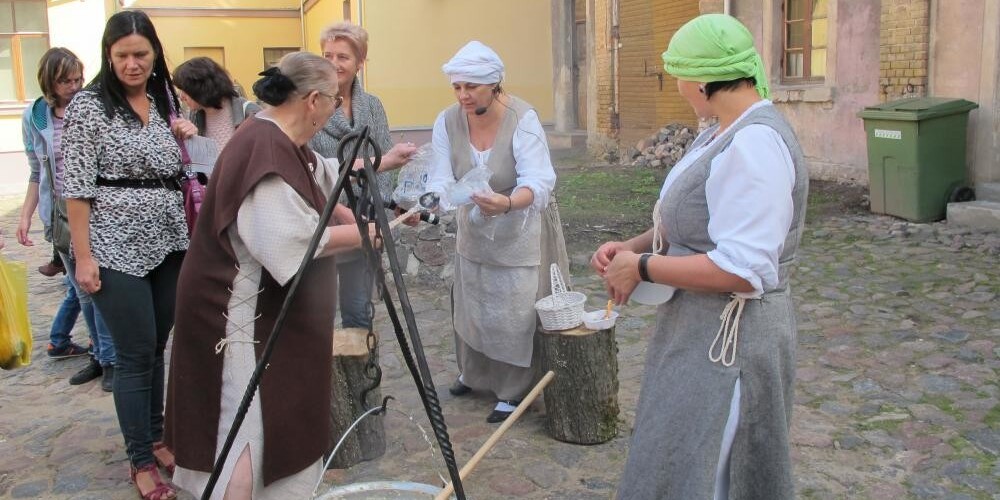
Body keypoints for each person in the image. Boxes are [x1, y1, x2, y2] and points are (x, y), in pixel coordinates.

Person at [590, 14, 807, 499]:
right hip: (695, 329)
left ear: (704, 80)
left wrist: (641, 268)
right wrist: (635, 246)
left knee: (712, 470)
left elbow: (743, 270)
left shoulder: (755, 145)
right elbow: (696, 216)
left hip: (734, 342)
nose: (677, 86)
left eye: (679, 76)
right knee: (676, 452)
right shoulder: (721, 131)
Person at [164, 52, 375, 499]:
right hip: (233, 317)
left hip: (256, 308)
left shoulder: (275, 136)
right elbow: (288, 241)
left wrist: (383, 164)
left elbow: (320, 173)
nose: (336, 109)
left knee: (262, 418)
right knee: (244, 425)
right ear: (313, 100)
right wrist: (364, 235)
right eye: (334, 101)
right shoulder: (263, 146)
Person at [62, 10, 188, 500]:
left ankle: (154, 436)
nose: (132, 64)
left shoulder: (163, 98)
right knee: (134, 354)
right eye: (122, 56)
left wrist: (179, 134)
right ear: (108, 57)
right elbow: (76, 188)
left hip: (168, 239)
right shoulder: (89, 106)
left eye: (141, 54)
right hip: (114, 244)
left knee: (157, 345)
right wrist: (84, 256)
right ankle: (139, 461)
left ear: (155, 53)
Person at [425, 40, 570, 423]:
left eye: (471, 87)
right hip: (474, 229)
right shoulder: (447, 120)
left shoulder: (523, 118)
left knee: (513, 309)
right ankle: (473, 374)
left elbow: (539, 179)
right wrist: (432, 201)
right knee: (474, 302)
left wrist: (506, 204)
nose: (463, 95)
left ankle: (513, 390)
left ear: (494, 84)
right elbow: (440, 177)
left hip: (517, 223)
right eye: (457, 87)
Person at [17, 47, 117, 389]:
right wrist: (26, 216)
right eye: (65, 81)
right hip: (59, 215)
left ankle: (111, 360)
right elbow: (36, 172)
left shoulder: (93, 107)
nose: (74, 86)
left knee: (101, 287)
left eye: (78, 78)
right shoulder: (35, 116)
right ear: (49, 81)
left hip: (96, 208)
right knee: (83, 292)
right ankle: (101, 357)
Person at [309, 21, 417, 330]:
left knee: (357, 312)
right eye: (327, 55)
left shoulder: (372, 107)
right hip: (325, 221)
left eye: (342, 57)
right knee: (320, 316)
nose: (333, 63)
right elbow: (316, 169)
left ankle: (360, 377)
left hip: (361, 221)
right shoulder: (311, 104)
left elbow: (384, 163)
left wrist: (388, 207)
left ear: (360, 61)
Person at [171, 56, 261, 153]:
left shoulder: (250, 112)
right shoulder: (195, 116)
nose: (181, 97)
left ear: (201, 87)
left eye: (184, 90)